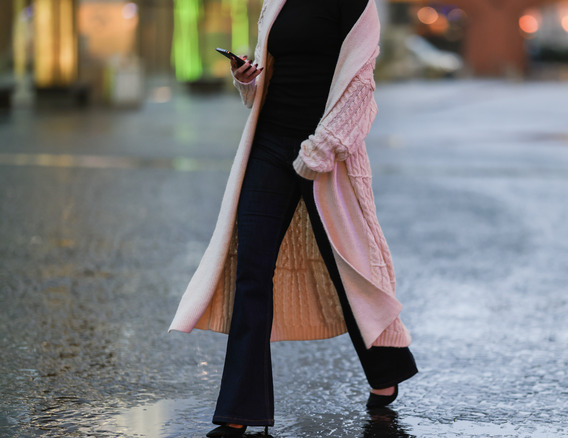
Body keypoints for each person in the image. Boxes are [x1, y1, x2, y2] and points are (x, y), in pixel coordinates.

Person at [168, 0, 418, 436]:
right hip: (268, 147)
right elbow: (265, 79)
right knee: (251, 271)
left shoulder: (357, 5)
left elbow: (361, 90)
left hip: (327, 157)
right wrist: (246, 77)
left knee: (348, 269)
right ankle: (241, 411)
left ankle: (386, 368)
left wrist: (319, 152)